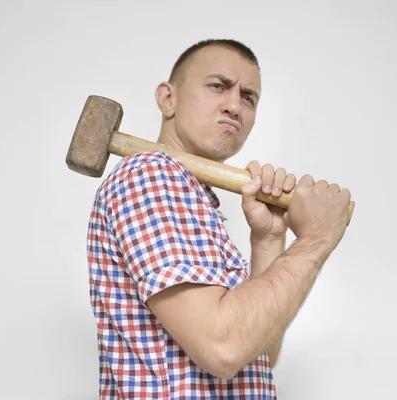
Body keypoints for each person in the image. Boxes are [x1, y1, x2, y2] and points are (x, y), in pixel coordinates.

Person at [86, 38, 351, 399]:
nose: (234, 106)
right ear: (168, 98)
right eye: (218, 86)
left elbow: (258, 353)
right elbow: (222, 348)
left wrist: (270, 240)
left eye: (248, 97)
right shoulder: (151, 175)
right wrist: (316, 240)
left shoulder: (193, 198)